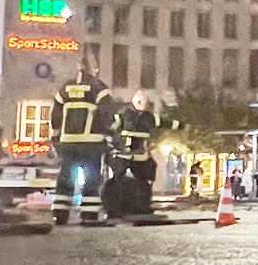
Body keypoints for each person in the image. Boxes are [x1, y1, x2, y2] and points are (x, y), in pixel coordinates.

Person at [48, 63, 119, 225]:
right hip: (91, 143)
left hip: (68, 142)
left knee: (65, 178)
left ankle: (60, 213)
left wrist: (56, 137)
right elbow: (106, 114)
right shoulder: (99, 89)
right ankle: (89, 214)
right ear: (95, 70)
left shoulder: (66, 88)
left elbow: (56, 116)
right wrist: (110, 137)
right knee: (91, 179)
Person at [106, 90, 180, 216]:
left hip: (141, 156)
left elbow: (165, 122)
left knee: (145, 181)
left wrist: (182, 126)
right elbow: (109, 129)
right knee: (118, 181)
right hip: (124, 155)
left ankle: (143, 206)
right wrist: (111, 146)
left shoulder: (149, 117)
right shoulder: (122, 115)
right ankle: (115, 208)